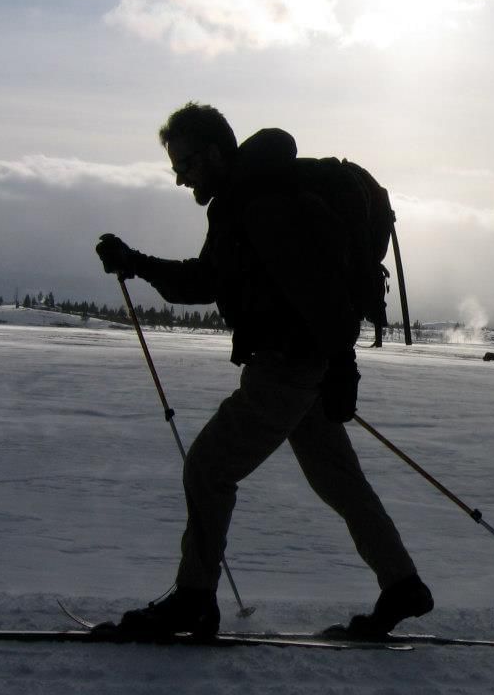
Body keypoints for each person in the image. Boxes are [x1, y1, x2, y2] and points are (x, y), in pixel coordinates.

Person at [95, 102, 432, 639]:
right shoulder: (240, 201)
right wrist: (137, 262)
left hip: (289, 366)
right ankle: (401, 584)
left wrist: (342, 366)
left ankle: (194, 599)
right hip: (303, 364)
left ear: (214, 152)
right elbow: (209, 279)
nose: (181, 178)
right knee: (339, 481)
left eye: (185, 164)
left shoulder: (264, 204)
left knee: (208, 467)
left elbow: (319, 290)